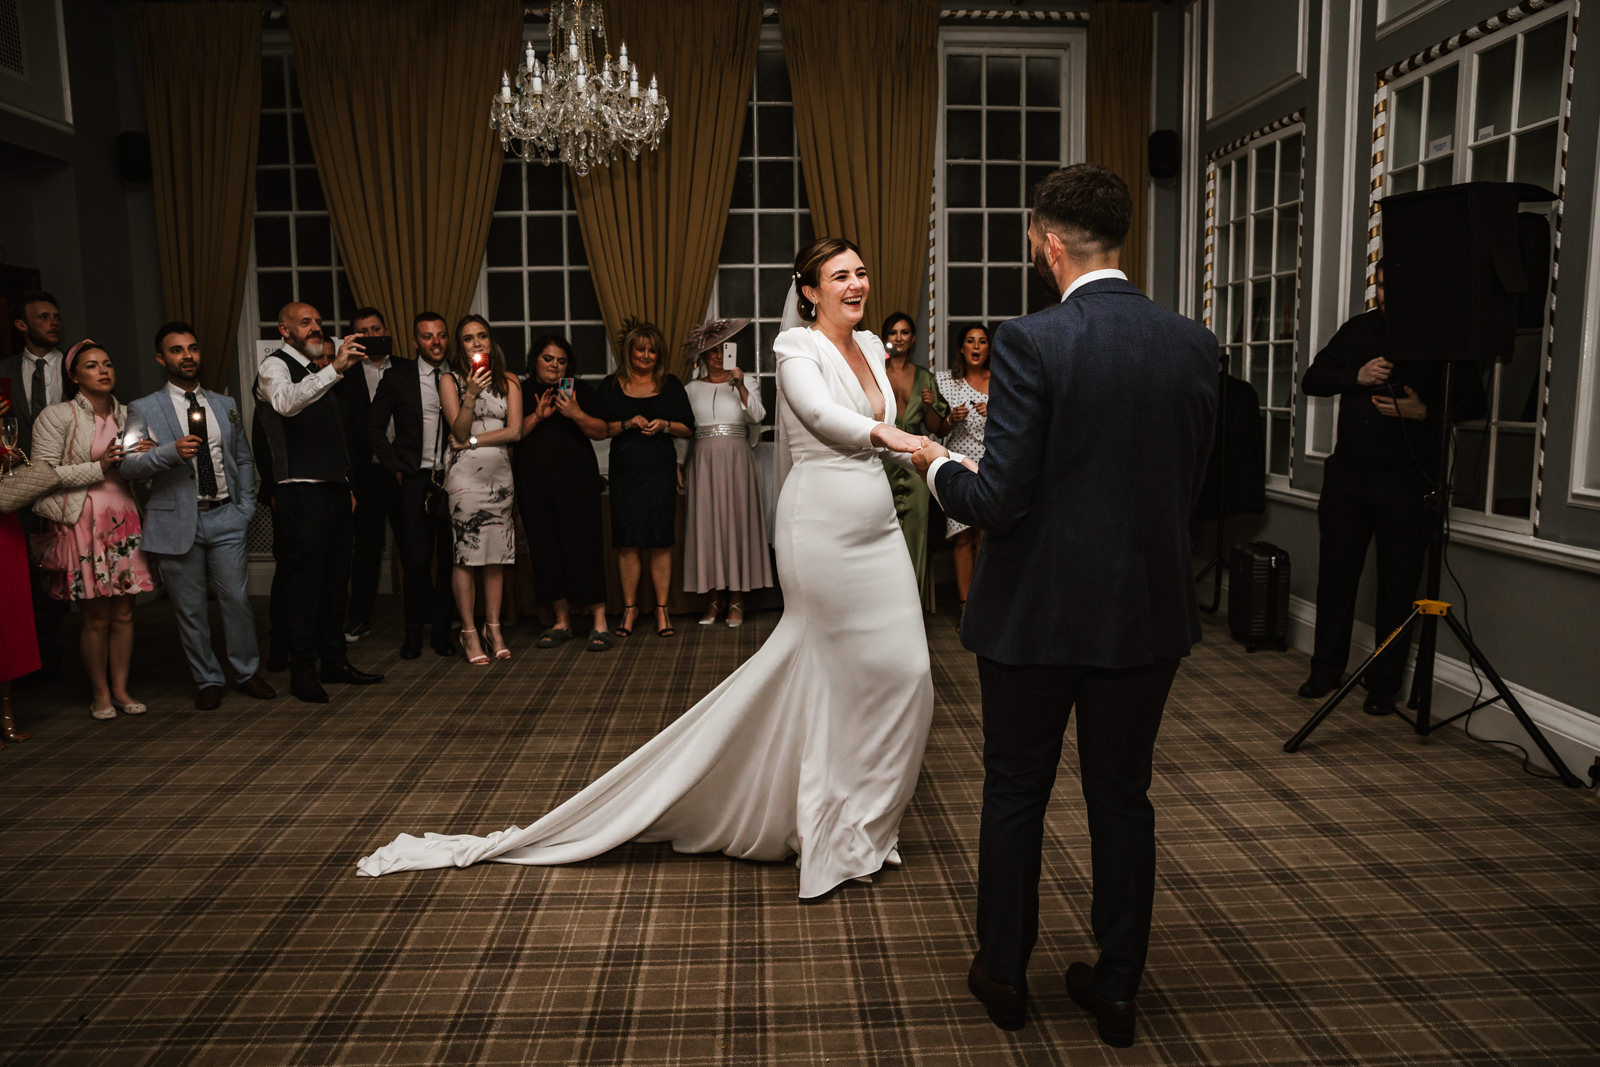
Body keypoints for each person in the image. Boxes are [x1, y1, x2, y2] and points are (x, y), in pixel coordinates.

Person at [357, 236, 934, 902]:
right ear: (808, 290)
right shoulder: (794, 348)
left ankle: (865, 818)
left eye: (862, 271)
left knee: (910, 674)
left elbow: (891, 428)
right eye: (841, 275)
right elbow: (823, 417)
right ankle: (836, 833)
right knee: (834, 676)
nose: (857, 283)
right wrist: (897, 439)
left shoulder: (870, 348)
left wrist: (942, 463)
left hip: (880, 527)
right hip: (822, 529)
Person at [915, 164, 1218, 1044]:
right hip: (1145, 612)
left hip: (1035, 616)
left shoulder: (1030, 340)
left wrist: (932, 464)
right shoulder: (1194, 343)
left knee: (1015, 790)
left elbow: (998, 499)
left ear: (1049, 243)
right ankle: (1117, 987)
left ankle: (1004, 975)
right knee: (1123, 797)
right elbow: (1186, 489)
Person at [1298, 260, 1486, 715]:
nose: (1385, 294)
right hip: (1346, 480)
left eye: (1394, 286)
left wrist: (1425, 412)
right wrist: (1355, 377)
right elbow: (1312, 380)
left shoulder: (1445, 339)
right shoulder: (1357, 331)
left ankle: (1383, 686)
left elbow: (1474, 403)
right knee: (1336, 578)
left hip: (1407, 484)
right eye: (1380, 284)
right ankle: (1325, 671)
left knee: (1397, 588)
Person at [121, 323, 276, 710]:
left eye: (192, 348)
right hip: (176, 520)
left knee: (236, 601)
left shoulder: (224, 405)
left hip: (226, 516)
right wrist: (171, 452)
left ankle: (246, 671)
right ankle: (207, 678)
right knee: (189, 609)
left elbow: (241, 455)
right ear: (161, 358)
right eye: (176, 350)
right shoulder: (143, 408)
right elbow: (128, 465)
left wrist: (244, 507)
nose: (186, 356)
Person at [254, 302, 383, 704]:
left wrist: (347, 484)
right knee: (303, 587)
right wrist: (335, 369)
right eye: (305, 323)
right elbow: (286, 404)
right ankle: (302, 671)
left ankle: (335, 661)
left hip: (332, 490)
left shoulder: (320, 373)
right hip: (299, 490)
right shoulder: (274, 368)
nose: (315, 328)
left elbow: (338, 437)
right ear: (284, 330)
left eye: (318, 322)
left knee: (334, 583)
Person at [31, 340, 158, 719]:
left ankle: (120, 688)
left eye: (107, 363)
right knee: (95, 617)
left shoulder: (132, 414)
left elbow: (144, 473)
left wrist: (149, 458)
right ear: (73, 376)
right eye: (91, 366)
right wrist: (99, 466)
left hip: (125, 519)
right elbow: (43, 475)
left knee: (124, 613)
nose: (103, 371)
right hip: (82, 521)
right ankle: (99, 692)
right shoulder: (57, 416)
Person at [513, 334, 613, 652]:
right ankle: (561, 621)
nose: (555, 365)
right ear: (535, 360)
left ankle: (599, 622)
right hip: (533, 484)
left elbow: (602, 431)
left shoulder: (578, 391)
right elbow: (511, 434)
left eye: (561, 360)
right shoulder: (521, 391)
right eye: (548, 358)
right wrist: (538, 416)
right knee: (545, 550)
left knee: (583, 547)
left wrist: (575, 413)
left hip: (577, 484)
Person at [596, 321, 694, 638]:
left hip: (660, 473)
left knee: (661, 543)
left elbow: (689, 428)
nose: (646, 355)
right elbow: (598, 429)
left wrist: (665, 424)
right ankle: (629, 609)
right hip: (625, 474)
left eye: (652, 350)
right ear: (629, 351)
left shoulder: (671, 384)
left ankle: (662, 610)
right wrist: (626, 423)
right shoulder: (612, 385)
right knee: (627, 545)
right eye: (640, 349)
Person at [369, 312, 458, 660]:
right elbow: (374, 427)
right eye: (427, 336)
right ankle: (412, 633)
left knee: (451, 562)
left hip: (454, 479)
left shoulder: (460, 375)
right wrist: (395, 466)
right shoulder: (398, 377)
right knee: (417, 560)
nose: (435, 342)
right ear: (415, 341)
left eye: (441, 335)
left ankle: (442, 633)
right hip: (415, 480)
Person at [439, 315, 522, 665]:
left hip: (500, 477)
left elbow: (515, 432)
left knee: (496, 555)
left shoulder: (510, 381)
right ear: (461, 346)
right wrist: (470, 394)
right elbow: (455, 430)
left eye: (482, 336)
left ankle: (494, 627)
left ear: (491, 341)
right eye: (469, 338)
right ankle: (469, 631)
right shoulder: (450, 380)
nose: (476, 343)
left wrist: (473, 440)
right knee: (467, 555)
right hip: (464, 481)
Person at [681, 317, 772, 627]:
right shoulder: (691, 389)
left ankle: (737, 600)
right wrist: (679, 465)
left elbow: (758, 417)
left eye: (724, 351)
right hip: (703, 462)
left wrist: (742, 386)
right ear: (704, 356)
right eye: (713, 352)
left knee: (737, 525)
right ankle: (713, 600)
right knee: (707, 528)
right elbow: (686, 432)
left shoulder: (747, 383)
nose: (719, 357)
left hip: (737, 461)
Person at [1, 290, 69, 679]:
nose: (53, 322)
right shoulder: (4, 370)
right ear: (21, 325)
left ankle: (68, 665)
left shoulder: (77, 368)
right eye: (43, 317)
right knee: (27, 577)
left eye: (56, 316)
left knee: (69, 571)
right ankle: (33, 667)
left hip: (71, 484)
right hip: (20, 486)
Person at [335, 307, 402, 644]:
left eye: (376, 329)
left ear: (386, 330)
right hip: (366, 473)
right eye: (363, 332)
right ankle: (358, 619)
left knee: (414, 545)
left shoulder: (405, 369)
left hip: (404, 471)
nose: (372, 335)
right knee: (367, 549)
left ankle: (423, 618)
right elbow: (340, 430)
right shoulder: (343, 376)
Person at [880, 311, 950, 611]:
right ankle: (881, 609)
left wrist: (930, 405)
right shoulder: (873, 371)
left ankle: (913, 610)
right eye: (893, 332)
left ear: (913, 338)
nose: (899, 338)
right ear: (885, 338)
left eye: (905, 332)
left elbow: (937, 428)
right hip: (880, 460)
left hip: (915, 462)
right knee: (879, 533)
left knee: (916, 536)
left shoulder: (924, 377)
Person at [934, 323, 992, 619]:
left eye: (982, 341)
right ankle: (966, 608)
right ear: (962, 348)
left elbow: (1019, 422)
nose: (977, 346)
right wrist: (951, 419)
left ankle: (985, 605)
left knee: (987, 535)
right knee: (962, 535)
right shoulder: (948, 383)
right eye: (971, 341)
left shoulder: (1002, 382)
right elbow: (938, 429)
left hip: (992, 463)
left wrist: (995, 412)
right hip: (958, 462)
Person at [0, 390, 40, 746]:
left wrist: (10, 458)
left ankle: (6, 711)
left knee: (8, 622)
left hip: (3, 527)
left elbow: (14, 461)